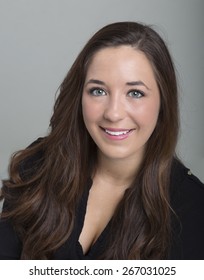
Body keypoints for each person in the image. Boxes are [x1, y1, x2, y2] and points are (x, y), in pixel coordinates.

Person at [0, 21, 203, 260]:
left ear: (163, 103)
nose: (113, 113)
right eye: (98, 91)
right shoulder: (38, 166)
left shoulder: (193, 207)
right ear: (80, 97)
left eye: (135, 93)